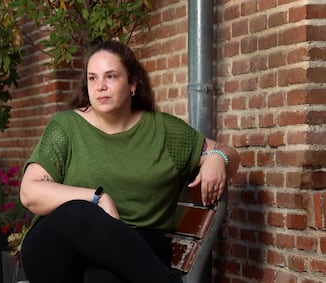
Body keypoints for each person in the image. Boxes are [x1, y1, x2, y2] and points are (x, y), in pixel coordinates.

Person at [19, 40, 240, 283]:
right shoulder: (66, 127)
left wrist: (217, 158)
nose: (100, 86)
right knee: (77, 210)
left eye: (110, 76)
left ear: (133, 84)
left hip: (139, 250)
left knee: (103, 278)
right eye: (92, 78)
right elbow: (30, 192)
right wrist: (97, 197)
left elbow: (228, 153)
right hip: (60, 254)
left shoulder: (164, 131)